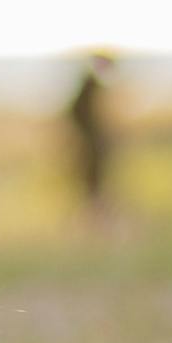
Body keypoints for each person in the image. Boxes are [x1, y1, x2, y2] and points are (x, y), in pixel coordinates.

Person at [67, 51, 118, 220]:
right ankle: (92, 219)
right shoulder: (90, 84)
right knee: (92, 184)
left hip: (93, 145)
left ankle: (94, 217)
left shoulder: (92, 84)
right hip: (90, 145)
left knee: (95, 184)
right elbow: (78, 113)